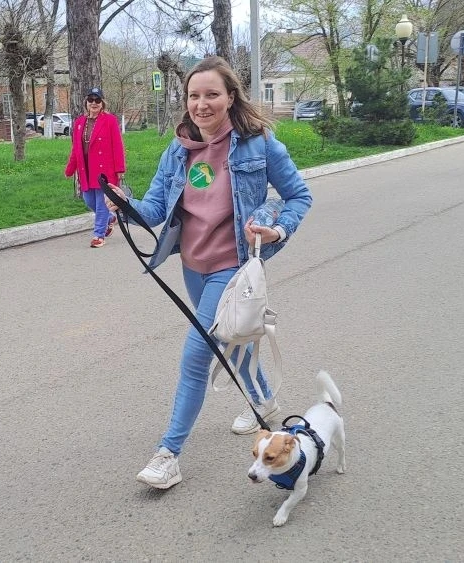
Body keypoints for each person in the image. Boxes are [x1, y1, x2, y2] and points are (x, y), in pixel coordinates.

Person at [104, 56, 312, 489]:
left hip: (231, 266)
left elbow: (299, 196)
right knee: (231, 342)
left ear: (230, 97)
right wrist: (125, 204)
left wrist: (277, 229)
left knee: (197, 355)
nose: (202, 104)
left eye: (212, 94)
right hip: (193, 267)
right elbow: (154, 210)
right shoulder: (178, 150)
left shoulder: (259, 144)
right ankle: (265, 404)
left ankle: (168, 455)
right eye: (194, 95)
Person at [65, 87, 126, 248]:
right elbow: (76, 149)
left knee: (101, 203)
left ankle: (99, 235)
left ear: (102, 103)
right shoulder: (79, 123)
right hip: (86, 169)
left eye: (97, 100)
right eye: (91, 100)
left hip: (105, 169)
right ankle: (109, 219)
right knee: (89, 200)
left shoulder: (110, 120)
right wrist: (70, 169)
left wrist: (120, 168)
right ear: (86, 102)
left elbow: (117, 145)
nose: (94, 103)